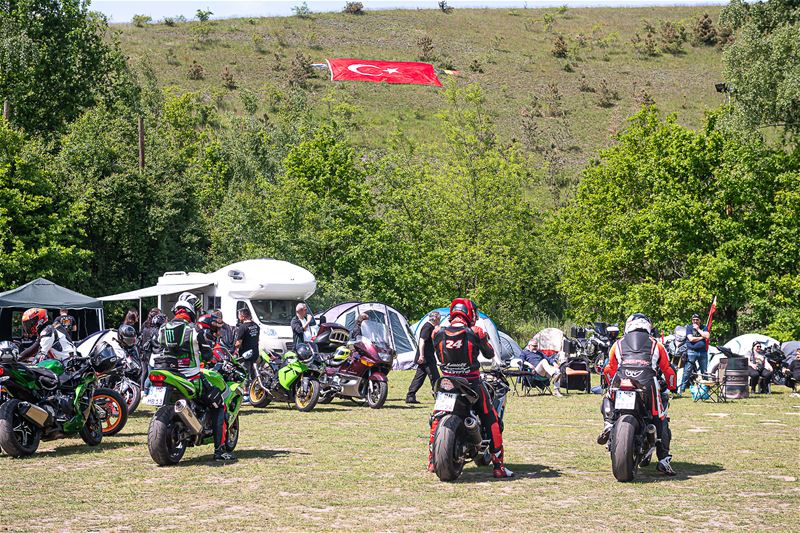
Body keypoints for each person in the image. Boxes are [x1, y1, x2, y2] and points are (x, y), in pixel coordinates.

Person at [430, 298, 512, 479]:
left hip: (446, 381)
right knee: (491, 419)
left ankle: (430, 460)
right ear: (470, 313)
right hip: (471, 382)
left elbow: (437, 354)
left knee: (437, 416)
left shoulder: (437, 332)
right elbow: (489, 353)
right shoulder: (476, 332)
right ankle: (499, 466)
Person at [597, 313, 678, 476]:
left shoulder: (617, 344)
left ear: (628, 326)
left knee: (607, 397)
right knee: (660, 416)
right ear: (648, 326)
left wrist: (608, 382)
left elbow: (608, 368)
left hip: (621, 379)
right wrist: (672, 386)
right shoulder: (657, 344)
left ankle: (608, 423)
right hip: (647, 381)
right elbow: (668, 369)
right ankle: (663, 460)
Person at [157, 292, 234, 461]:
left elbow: (157, 349)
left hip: (168, 375)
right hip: (192, 378)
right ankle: (220, 450)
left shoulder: (163, 328)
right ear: (192, 310)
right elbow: (207, 355)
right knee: (219, 404)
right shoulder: (194, 330)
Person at [405, 311, 442, 404]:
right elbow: (422, 341)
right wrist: (421, 355)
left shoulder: (430, 327)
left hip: (427, 356)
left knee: (419, 377)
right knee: (435, 377)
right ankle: (438, 396)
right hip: (426, 357)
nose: (440, 321)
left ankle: (410, 396)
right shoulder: (427, 327)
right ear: (436, 319)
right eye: (439, 319)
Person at [678, 313, 710, 394]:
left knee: (704, 371)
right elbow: (691, 339)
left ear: (700, 320)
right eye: (694, 320)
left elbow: (708, 336)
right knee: (687, 371)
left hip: (703, 352)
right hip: (691, 351)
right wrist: (702, 337)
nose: (695, 321)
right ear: (692, 320)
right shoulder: (689, 327)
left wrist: (699, 329)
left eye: (697, 319)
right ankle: (682, 389)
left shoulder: (704, 327)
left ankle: (706, 388)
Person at [139, 308, 166, 394]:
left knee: (148, 374)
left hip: (150, 354)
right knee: (155, 375)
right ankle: (148, 391)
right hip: (156, 355)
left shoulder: (148, 328)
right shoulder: (161, 331)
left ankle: (144, 391)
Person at [234, 307, 260, 381]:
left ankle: (246, 390)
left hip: (246, 355)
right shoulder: (256, 326)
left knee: (245, 373)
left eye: (239, 315)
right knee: (254, 373)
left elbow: (238, 343)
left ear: (243, 316)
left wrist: (233, 347)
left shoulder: (242, 327)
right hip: (255, 352)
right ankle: (254, 388)